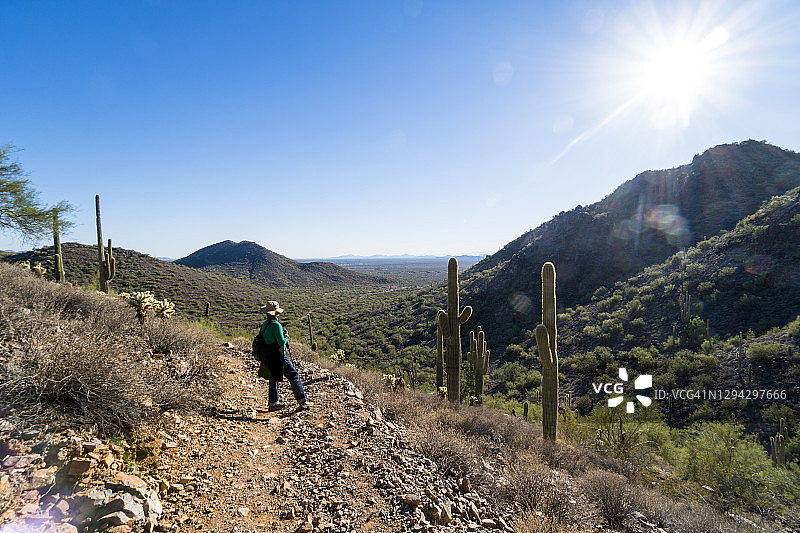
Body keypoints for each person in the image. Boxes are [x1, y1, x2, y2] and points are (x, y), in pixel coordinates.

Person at [258, 301, 313, 411]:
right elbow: (281, 342)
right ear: (276, 313)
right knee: (294, 375)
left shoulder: (265, 324)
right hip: (278, 355)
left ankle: (273, 403)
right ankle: (302, 401)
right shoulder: (276, 325)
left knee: (273, 378)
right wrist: (286, 337)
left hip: (268, 355)